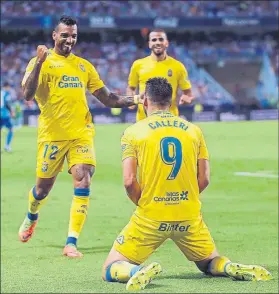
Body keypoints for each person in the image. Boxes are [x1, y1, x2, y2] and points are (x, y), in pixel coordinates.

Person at [102, 77, 272, 291]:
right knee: (209, 262)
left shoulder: (133, 132)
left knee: (110, 267)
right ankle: (227, 267)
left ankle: (136, 272)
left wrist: (145, 202)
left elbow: (129, 182)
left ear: (145, 101)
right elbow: (205, 178)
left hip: (151, 215)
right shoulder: (193, 131)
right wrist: (187, 198)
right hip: (188, 215)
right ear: (171, 101)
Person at [18, 15, 142, 258]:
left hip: (81, 134)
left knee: (83, 177)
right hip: (52, 137)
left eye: (73, 35)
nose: (69, 39)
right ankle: (32, 214)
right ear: (54, 35)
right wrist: (40, 63)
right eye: (65, 35)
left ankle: (71, 242)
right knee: (42, 190)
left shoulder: (84, 66)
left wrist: (137, 99)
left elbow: (108, 99)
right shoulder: (39, 61)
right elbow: (27, 94)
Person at [127, 28, 194, 122]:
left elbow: (188, 93)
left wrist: (187, 99)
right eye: (154, 40)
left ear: (166, 43)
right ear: (149, 44)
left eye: (161, 39)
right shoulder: (138, 65)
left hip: (170, 121)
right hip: (144, 121)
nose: (157, 42)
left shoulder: (178, 66)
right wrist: (132, 100)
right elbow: (131, 88)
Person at [1, 82, 15, 152]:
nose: (9, 88)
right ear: (6, 86)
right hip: (4, 114)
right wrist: (11, 112)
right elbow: (7, 104)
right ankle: (7, 146)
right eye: (9, 87)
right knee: (11, 129)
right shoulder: (6, 93)